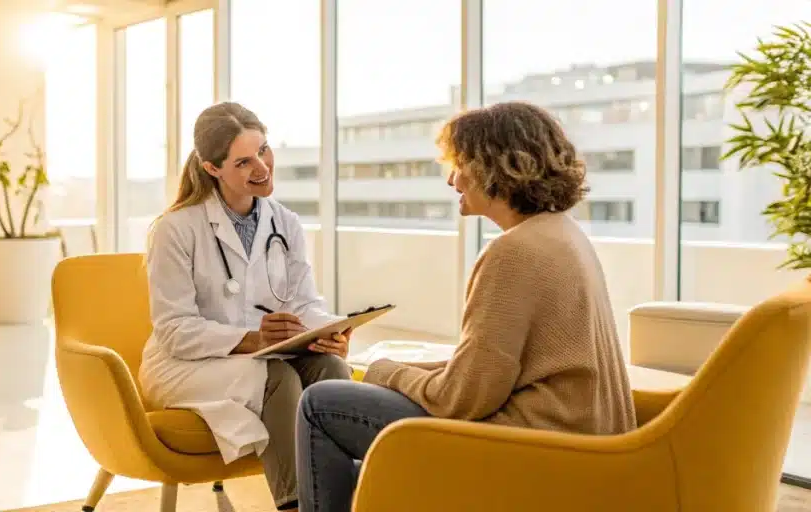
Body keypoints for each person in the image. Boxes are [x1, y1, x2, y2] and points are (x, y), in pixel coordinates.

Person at [295, 101, 639, 512]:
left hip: (533, 448)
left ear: (495, 166)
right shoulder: (562, 234)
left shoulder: (512, 253)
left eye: (459, 164)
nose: (452, 180)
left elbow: (464, 400)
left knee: (320, 403)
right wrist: (383, 373)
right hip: (581, 441)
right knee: (366, 399)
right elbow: (492, 371)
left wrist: (386, 372)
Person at [139, 101, 353, 512]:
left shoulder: (284, 223)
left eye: (264, 150)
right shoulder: (176, 229)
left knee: (330, 371)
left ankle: (337, 501)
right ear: (211, 168)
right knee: (277, 379)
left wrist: (331, 331)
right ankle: (296, 505)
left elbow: (305, 301)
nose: (262, 167)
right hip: (184, 365)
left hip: (260, 354)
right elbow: (174, 330)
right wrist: (251, 339)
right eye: (243, 162)